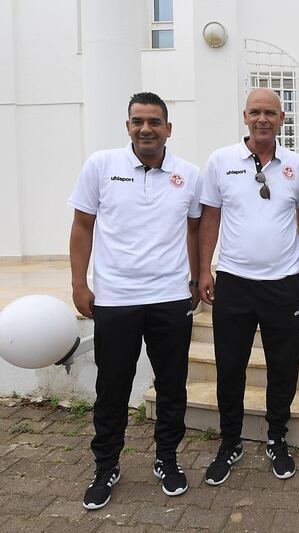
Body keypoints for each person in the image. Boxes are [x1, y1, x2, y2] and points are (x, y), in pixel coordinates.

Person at [69, 92, 201, 510]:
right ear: (127, 126)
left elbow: (195, 231)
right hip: (116, 299)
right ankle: (106, 464)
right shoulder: (101, 166)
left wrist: (198, 277)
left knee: (172, 386)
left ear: (168, 129)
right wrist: (79, 284)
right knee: (112, 386)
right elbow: (82, 226)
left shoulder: (189, 175)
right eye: (138, 121)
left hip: (170, 298)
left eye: (154, 122)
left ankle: (167, 459)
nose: (146, 129)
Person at [198, 88, 299, 484]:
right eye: (255, 112)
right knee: (231, 368)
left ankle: (277, 437)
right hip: (234, 282)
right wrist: (203, 270)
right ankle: (230, 442)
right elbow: (209, 218)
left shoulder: (297, 165)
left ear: (282, 119)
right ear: (245, 117)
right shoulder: (220, 161)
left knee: (284, 368)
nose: (263, 119)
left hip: (282, 284)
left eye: (271, 113)